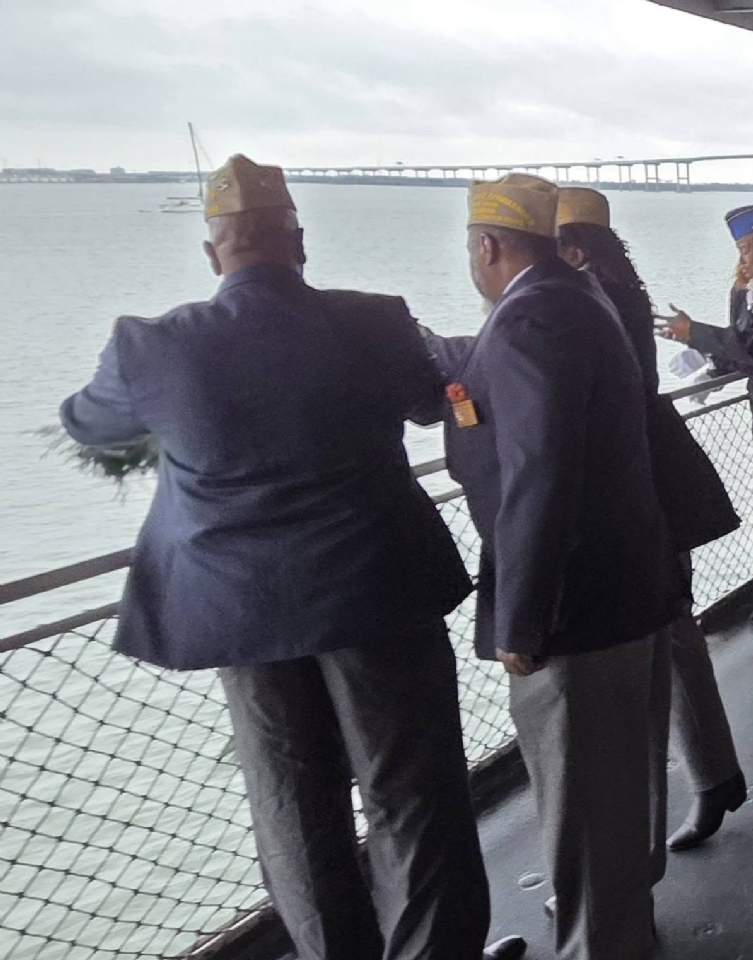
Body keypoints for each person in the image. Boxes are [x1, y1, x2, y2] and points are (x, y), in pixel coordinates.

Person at [59, 155, 526, 960]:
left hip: (242, 611)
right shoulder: (374, 321)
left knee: (291, 803)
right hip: (378, 591)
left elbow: (87, 424)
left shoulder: (151, 345)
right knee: (413, 791)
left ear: (214, 253)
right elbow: (428, 404)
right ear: (298, 243)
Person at [421, 173, 684, 960]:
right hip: (623, 580)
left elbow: (538, 473)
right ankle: (621, 926)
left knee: (582, 795)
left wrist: (520, 616)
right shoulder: (577, 296)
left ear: (486, 245)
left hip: (574, 603)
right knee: (616, 783)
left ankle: (603, 944)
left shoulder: (531, 317)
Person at [557, 188, 746, 852]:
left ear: (571, 249)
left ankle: (687, 795)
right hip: (655, 479)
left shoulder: (585, 301)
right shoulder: (617, 293)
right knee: (672, 629)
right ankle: (712, 776)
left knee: (661, 637)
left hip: (633, 486)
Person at [656, 205, 753, 411]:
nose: (749, 257)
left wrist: (696, 334)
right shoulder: (743, 290)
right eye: (744, 250)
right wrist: (713, 365)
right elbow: (744, 343)